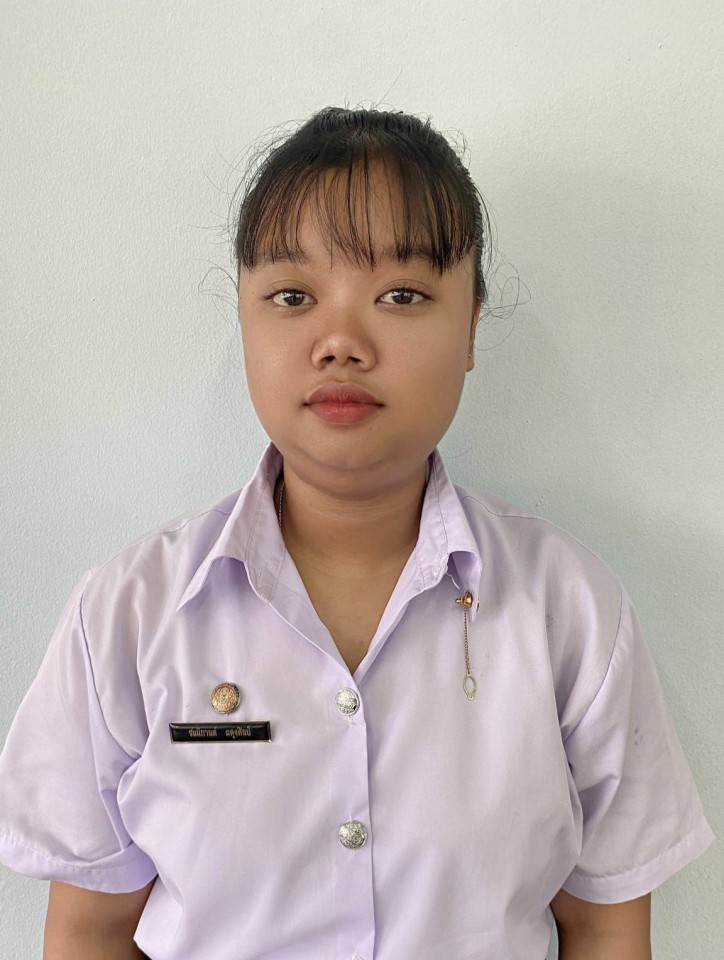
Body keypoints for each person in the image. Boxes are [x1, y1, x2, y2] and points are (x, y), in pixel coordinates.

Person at [0, 106, 715, 960]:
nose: (340, 341)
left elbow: (603, 928)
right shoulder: (128, 613)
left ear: (471, 327)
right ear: (245, 317)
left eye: (401, 295)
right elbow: (88, 932)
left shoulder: (572, 610)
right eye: (293, 296)